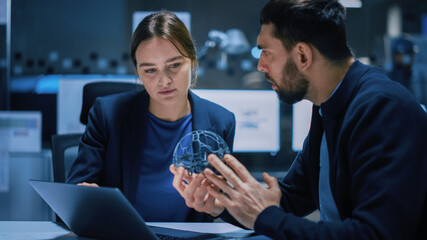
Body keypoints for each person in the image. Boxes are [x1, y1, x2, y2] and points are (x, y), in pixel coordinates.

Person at [171, 0, 427, 239]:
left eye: (266, 52)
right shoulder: (328, 105)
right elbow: (289, 199)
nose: (260, 65)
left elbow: (373, 234)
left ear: (303, 56)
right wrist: (221, 204)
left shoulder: (382, 109)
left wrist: (264, 217)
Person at [66, 11, 236, 222]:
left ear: (192, 61)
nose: (164, 81)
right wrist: (83, 195)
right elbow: (72, 195)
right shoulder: (108, 114)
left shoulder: (221, 121)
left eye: (174, 65)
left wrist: (218, 208)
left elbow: (228, 205)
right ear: (138, 71)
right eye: (150, 70)